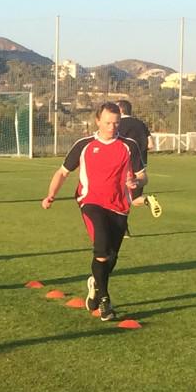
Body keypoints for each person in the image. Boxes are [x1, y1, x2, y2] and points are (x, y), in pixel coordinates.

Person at [41, 102, 145, 322]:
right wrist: (51, 194)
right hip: (90, 202)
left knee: (112, 257)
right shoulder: (84, 144)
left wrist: (136, 181)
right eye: (108, 122)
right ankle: (105, 300)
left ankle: (95, 284)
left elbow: (143, 175)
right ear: (98, 121)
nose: (112, 127)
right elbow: (63, 172)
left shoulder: (129, 145)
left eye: (116, 123)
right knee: (101, 249)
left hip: (119, 206)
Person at [116, 99, 161, 218]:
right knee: (135, 199)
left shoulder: (117, 124)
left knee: (118, 199)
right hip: (140, 167)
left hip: (122, 165)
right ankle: (148, 200)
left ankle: (124, 230)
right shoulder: (140, 123)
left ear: (120, 110)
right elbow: (150, 144)